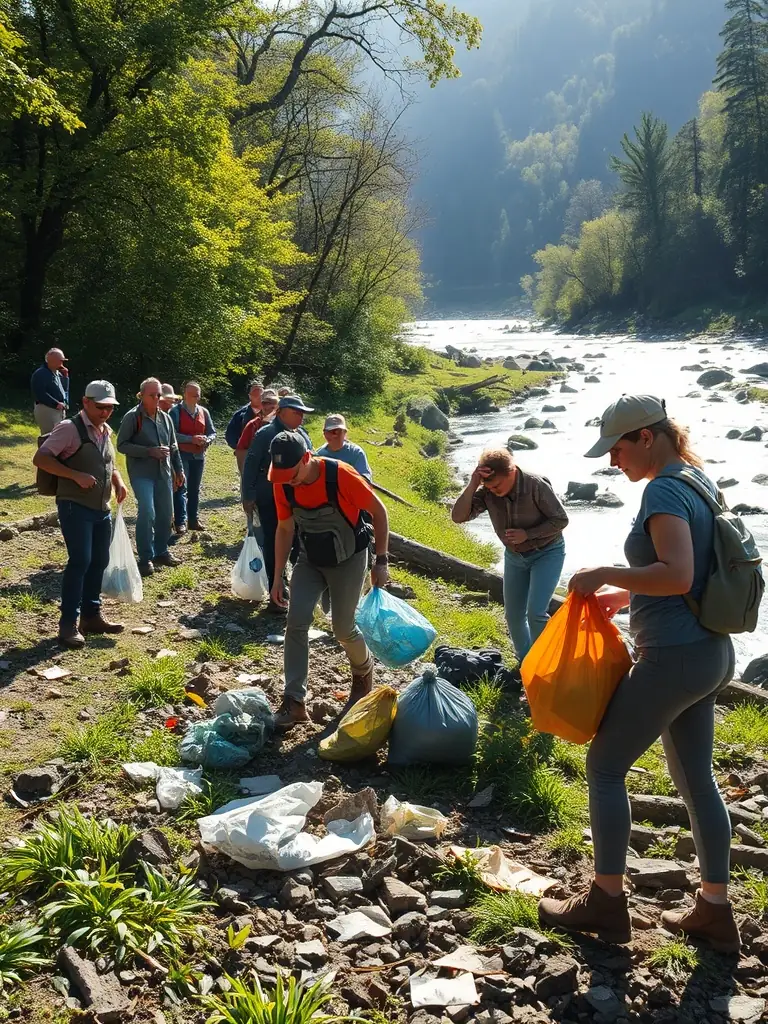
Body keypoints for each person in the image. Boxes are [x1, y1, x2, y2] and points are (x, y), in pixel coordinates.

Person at [538, 395, 739, 953]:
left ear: (647, 438)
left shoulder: (664, 489)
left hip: (673, 658)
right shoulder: (698, 481)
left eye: (618, 448)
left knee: (603, 767)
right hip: (709, 654)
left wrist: (601, 570)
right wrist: (622, 595)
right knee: (698, 782)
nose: (612, 462)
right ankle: (715, 913)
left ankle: (606, 901)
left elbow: (676, 575)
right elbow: (693, 575)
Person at [267, 430, 390, 728]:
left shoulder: (341, 476)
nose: (288, 480)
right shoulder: (282, 484)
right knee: (295, 623)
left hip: (350, 559)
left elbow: (379, 511)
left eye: (293, 473)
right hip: (310, 559)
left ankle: (363, 671)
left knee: (343, 628)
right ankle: (294, 701)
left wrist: (381, 561)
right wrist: (277, 576)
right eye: (282, 475)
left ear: (307, 458)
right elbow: (284, 529)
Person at [32, 381, 127, 648]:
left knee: (99, 560)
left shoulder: (105, 430)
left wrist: (119, 482)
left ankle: (91, 616)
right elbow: (41, 458)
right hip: (74, 505)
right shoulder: (68, 429)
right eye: (100, 407)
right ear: (85, 402)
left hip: (101, 509)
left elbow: (110, 463)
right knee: (80, 561)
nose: (106, 412)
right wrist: (75, 475)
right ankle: (67, 624)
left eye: (110, 408)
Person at [452, 448, 568, 663]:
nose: (494, 491)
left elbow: (561, 520)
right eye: (489, 486)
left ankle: (547, 665)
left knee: (536, 614)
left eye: (497, 485)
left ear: (512, 471)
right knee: (514, 616)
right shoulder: (487, 491)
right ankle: (526, 663)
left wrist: (528, 534)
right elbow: (458, 517)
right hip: (515, 558)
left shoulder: (535, 484)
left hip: (548, 553)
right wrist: (473, 485)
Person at [241, 395, 313, 609]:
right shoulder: (265, 434)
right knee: (274, 541)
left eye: (302, 414)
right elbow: (250, 463)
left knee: (298, 540)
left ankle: (291, 584)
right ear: (281, 412)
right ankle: (276, 588)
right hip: (269, 493)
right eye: (296, 412)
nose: (300, 417)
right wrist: (248, 495)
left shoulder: (301, 435)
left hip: (297, 496)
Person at [116, 377, 185, 577]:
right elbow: (122, 445)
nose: (156, 398)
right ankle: (145, 558)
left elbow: (174, 447)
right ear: (141, 396)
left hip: (163, 473)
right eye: (152, 395)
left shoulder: (166, 418)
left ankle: (161, 551)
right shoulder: (132, 417)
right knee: (147, 511)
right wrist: (149, 451)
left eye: (158, 395)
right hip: (141, 474)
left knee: (166, 513)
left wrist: (179, 470)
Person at [169, 381, 216, 533]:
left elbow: (212, 432)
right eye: (193, 394)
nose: (196, 397)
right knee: (181, 487)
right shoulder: (175, 412)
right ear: (185, 395)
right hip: (181, 454)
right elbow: (172, 435)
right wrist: (191, 439)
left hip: (199, 456)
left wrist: (207, 440)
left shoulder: (204, 412)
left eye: (198, 395)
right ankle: (180, 522)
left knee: (195, 489)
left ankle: (193, 520)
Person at [316, 414, 372, 481]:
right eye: (331, 431)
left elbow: (365, 479)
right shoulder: (319, 455)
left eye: (338, 431)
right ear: (325, 434)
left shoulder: (356, 453)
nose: (335, 435)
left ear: (345, 432)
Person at [235, 389, 278, 474]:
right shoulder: (253, 424)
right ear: (262, 405)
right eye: (265, 403)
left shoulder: (283, 425)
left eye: (273, 405)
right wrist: (244, 474)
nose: (269, 408)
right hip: (255, 470)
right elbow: (241, 450)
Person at [31, 348, 69, 435]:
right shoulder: (40, 374)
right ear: (51, 361)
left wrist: (66, 377)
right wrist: (56, 403)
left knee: (59, 437)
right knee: (48, 438)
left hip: (58, 410)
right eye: (60, 361)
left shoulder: (58, 373)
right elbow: (40, 393)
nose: (62, 364)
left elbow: (64, 390)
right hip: (46, 409)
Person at [225, 380, 263, 452]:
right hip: (245, 452)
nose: (258, 397)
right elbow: (230, 434)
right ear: (250, 396)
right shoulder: (240, 414)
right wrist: (238, 447)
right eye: (255, 394)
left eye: (261, 395)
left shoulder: (270, 411)